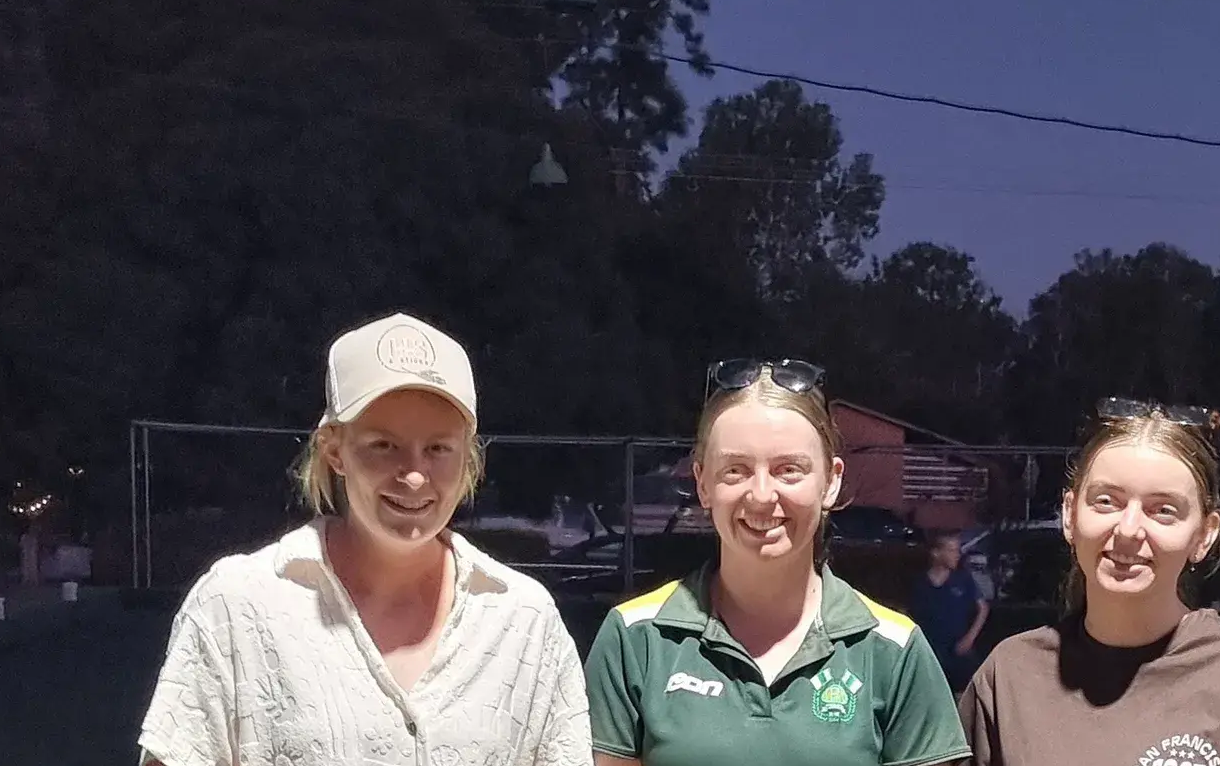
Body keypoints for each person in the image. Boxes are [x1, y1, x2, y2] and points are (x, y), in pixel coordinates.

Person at [137, 312, 591, 766]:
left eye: (438, 448)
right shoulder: (235, 606)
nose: (414, 476)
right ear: (334, 450)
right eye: (383, 445)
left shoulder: (525, 620)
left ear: (467, 455)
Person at [584, 358, 970, 766]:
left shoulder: (893, 650)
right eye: (736, 470)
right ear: (702, 483)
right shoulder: (634, 639)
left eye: (789, 470)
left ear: (832, 480)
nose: (762, 495)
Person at [959, 398, 1220, 766]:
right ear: (1070, 515)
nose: (1128, 529)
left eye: (1163, 510)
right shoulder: (1008, 677)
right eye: (1106, 501)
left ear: (1205, 535)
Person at [911, 530, 989, 696]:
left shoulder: (963, 580)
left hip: (958, 651)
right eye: (952, 550)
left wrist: (969, 638)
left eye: (958, 550)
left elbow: (982, 608)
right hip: (931, 652)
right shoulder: (920, 584)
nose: (957, 555)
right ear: (936, 553)